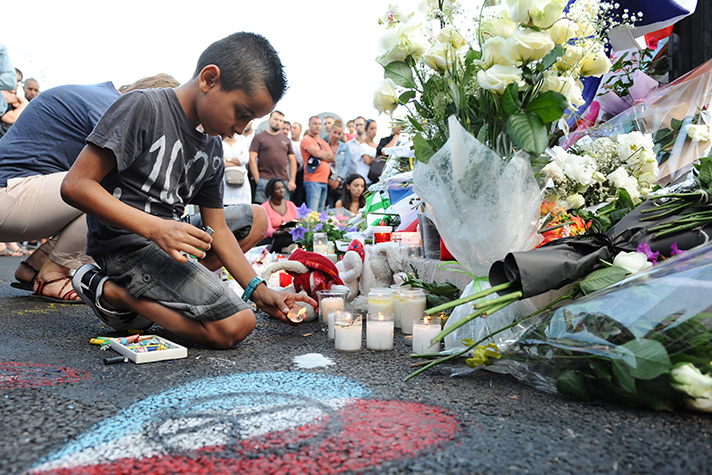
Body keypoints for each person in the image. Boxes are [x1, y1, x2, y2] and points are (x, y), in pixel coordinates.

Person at [61, 32, 316, 349]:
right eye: (242, 113)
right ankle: (114, 293)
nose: (241, 129)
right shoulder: (144, 107)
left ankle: (169, 294)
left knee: (256, 218)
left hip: (168, 241)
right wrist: (156, 229)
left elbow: (218, 228)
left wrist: (258, 290)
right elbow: (75, 185)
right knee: (237, 324)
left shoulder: (211, 146)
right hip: (126, 246)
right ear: (209, 79)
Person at [0, 74, 181, 302]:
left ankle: (35, 267)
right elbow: (141, 176)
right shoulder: (114, 108)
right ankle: (54, 275)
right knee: (120, 189)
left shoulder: (98, 97)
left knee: (104, 185)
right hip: (9, 197)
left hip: (16, 197)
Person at [248, 110, 297, 203]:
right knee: (263, 211)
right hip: (264, 180)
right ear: (269, 120)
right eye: (275, 119)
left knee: (283, 211)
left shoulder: (286, 140)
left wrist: (292, 180)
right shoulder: (259, 137)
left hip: (283, 181)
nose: (278, 122)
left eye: (280, 120)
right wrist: (257, 179)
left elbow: (292, 160)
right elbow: (252, 158)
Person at [301, 115, 334, 212]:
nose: (318, 126)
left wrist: (321, 154)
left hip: (324, 181)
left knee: (320, 212)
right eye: (315, 123)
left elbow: (332, 157)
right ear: (309, 125)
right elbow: (316, 153)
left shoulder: (323, 142)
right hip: (313, 180)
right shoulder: (306, 139)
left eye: (319, 124)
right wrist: (324, 154)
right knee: (313, 212)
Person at [260, 178, 297, 252]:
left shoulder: (291, 205)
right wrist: (281, 233)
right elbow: (268, 230)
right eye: (277, 189)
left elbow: (299, 220)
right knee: (284, 239)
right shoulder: (264, 207)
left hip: (290, 234)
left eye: (283, 188)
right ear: (271, 192)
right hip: (273, 238)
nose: (281, 191)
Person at [326, 119, 351, 209]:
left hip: (341, 184)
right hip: (327, 183)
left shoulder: (345, 147)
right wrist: (328, 181)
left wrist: (338, 180)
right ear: (330, 131)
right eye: (334, 132)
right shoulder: (324, 146)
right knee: (328, 209)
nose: (336, 136)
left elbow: (347, 164)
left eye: (339, 133)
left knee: (340, 209)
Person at [222, 131, 252, 205]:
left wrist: (228, 159)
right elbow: (221, 163)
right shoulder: (220, 144)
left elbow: (244, 159)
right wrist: (237, 161)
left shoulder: (242, 143)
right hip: (225, 182)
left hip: (242, 183)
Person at [356, 119, 379, 186]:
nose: (374, 131)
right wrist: (377, 158)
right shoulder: (363, 145)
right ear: (366, 130)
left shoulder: (377, 145)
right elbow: (367, 161)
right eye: (371, 128)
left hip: (375, 179)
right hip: (365, 180)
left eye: (375, 128)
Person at [290, 121, 305, 206]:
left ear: (300, 131)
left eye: (295, 128)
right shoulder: (287, 142)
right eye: (291, 128)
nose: (292, 130)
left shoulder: (303, 143)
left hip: (301, 175)